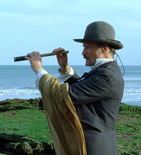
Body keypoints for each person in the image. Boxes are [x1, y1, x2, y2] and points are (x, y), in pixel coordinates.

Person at [26, 21, 124, 155]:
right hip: (94, 144)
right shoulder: (104, 71)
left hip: (94, 147)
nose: (83, 53)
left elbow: (65, 96)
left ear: (104, 49)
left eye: (87, 47)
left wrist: (39, 70)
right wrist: (65, 68)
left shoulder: (107, 76)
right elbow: (83, 87)